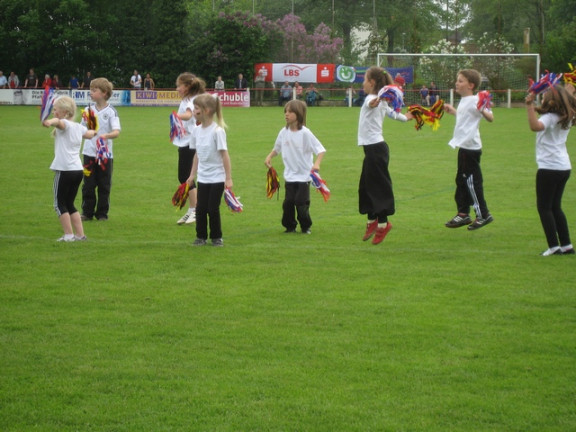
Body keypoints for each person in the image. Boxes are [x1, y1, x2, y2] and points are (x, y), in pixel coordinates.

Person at [357, 66, 413, 245]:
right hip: (373, 150)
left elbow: (372, 103)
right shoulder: (380, 101)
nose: (363, 83)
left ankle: (383, 225)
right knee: (365, 187)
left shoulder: (372, 98)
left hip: (376, 150)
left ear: (372, 83)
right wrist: (408, 117)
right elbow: (395, 115)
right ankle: (371, 221)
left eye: (365, 80)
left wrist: (378, 99)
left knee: (378, 188)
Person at [525, 84, 576, 256]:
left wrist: (529, 106)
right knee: (555, 207)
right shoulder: (565, 116)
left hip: (549, 168)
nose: (544, 95)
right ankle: (567, 245)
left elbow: (535, 126)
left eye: (546, 94)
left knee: (544, 207)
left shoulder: (550, 117)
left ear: (552, 100)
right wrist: (567, 92)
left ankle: (554, 246)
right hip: (563, 167)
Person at [265, 100, 326, 234]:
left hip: (304, 176)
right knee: (288, 202)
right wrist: (269, 156)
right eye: (285, 111)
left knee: (301, 202)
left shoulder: (305, 133)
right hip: (290, 176)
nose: (286, 114)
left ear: (299, 114)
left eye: (290, 112)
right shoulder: (283, 132)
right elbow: (277, 148)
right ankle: (290, 226)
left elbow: (320, 150)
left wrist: (317, 164)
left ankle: (305, 226)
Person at [443, 69, 494, 230]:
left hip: (471, 149)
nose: (457, 83)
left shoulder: (476, 99)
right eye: (457, 80)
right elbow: (466, 118)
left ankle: (483, 215)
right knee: (461, 181)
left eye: (461, 81)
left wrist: (482, 109)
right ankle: (463, 213)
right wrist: (454, 112)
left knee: (472, 183)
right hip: (463, 147)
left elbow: (490, 117)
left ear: (471, 85)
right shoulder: (465, 100)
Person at [42, 96, 96, 242]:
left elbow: (57, 122)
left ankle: (68, 235)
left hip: (65, 170)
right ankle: (80, 235)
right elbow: (90, 134)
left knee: (59, 204)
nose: (53, 112)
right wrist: (96, 131)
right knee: (70, 203)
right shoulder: (79, 127)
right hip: (77, 170)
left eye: (55, 110)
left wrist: (48, 122)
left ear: (64, 112)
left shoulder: (64, 123)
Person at [187, 93, 234, 247]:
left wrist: (228, 178)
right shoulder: (196, 131)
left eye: (196, 108)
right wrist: (192, 174)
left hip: (217, 177)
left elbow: (225, 155)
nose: (194, 112)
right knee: (200, 208)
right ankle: (200, 236)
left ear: (206, 110)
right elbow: (196, 155)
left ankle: (216, 237)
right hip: (203, 177)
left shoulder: (217, 131)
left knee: (212, 208)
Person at [80, 77, 122, 221]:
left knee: (104, 185)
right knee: (88, 185)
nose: (90, 92)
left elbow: (116, 132)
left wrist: (106, 136)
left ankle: (102, 214)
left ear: (104, 93)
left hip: (105, 155)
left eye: (94, 90)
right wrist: (86, 134)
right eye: (90, 89)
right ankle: (87, 212)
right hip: (88, 153)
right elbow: (81, 130)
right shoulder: (88, 110)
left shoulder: (111, 112)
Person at [173, 72, 205, 225]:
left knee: (186, 176)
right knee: (184, 176)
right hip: (187, 141)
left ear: (187, 87)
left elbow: (188, 114)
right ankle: (193, 209)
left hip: (190, 142)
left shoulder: (191, 100)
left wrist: (177, 117)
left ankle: (196, 209)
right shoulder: (189, 99)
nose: (177, 88)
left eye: (179, 86)